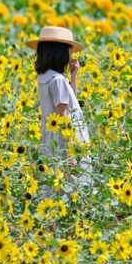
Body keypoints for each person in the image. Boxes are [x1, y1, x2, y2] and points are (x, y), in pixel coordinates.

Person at [26, 26, 92, 196]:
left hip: (51, 138)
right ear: (59, 52)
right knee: (72, 189)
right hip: (64, 142)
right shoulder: (57, 80)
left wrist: (74, 76)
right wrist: (71, 154)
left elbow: (69, 103)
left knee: (52, 188)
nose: (71, 54)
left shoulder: (45, 77)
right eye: (69, 49)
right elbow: (63, 117)